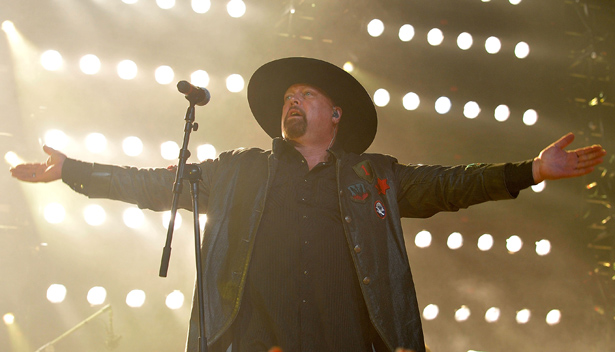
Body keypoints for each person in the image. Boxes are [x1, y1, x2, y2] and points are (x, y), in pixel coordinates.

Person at [10, 57, 606, 352]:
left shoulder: (373, 177)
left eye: (306, 94)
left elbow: (450, 184)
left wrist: (529, 171)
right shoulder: (238, 171)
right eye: (287, 96)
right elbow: (150, 186)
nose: (292, 100)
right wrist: (75, 171)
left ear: (335, 113)